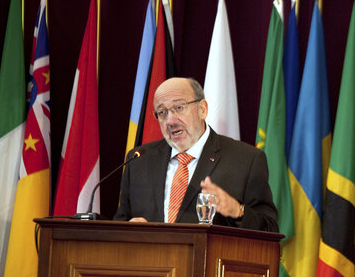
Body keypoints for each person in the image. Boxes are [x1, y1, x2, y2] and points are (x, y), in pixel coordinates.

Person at [114, 77, 278, 232]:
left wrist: (237, 210)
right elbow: (120, 224)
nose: (170, 120)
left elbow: (270, 228)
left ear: (202, 109)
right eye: (162, 112)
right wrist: (128, 230)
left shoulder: (245, 160)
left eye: (179, 107)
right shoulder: (139, 160)